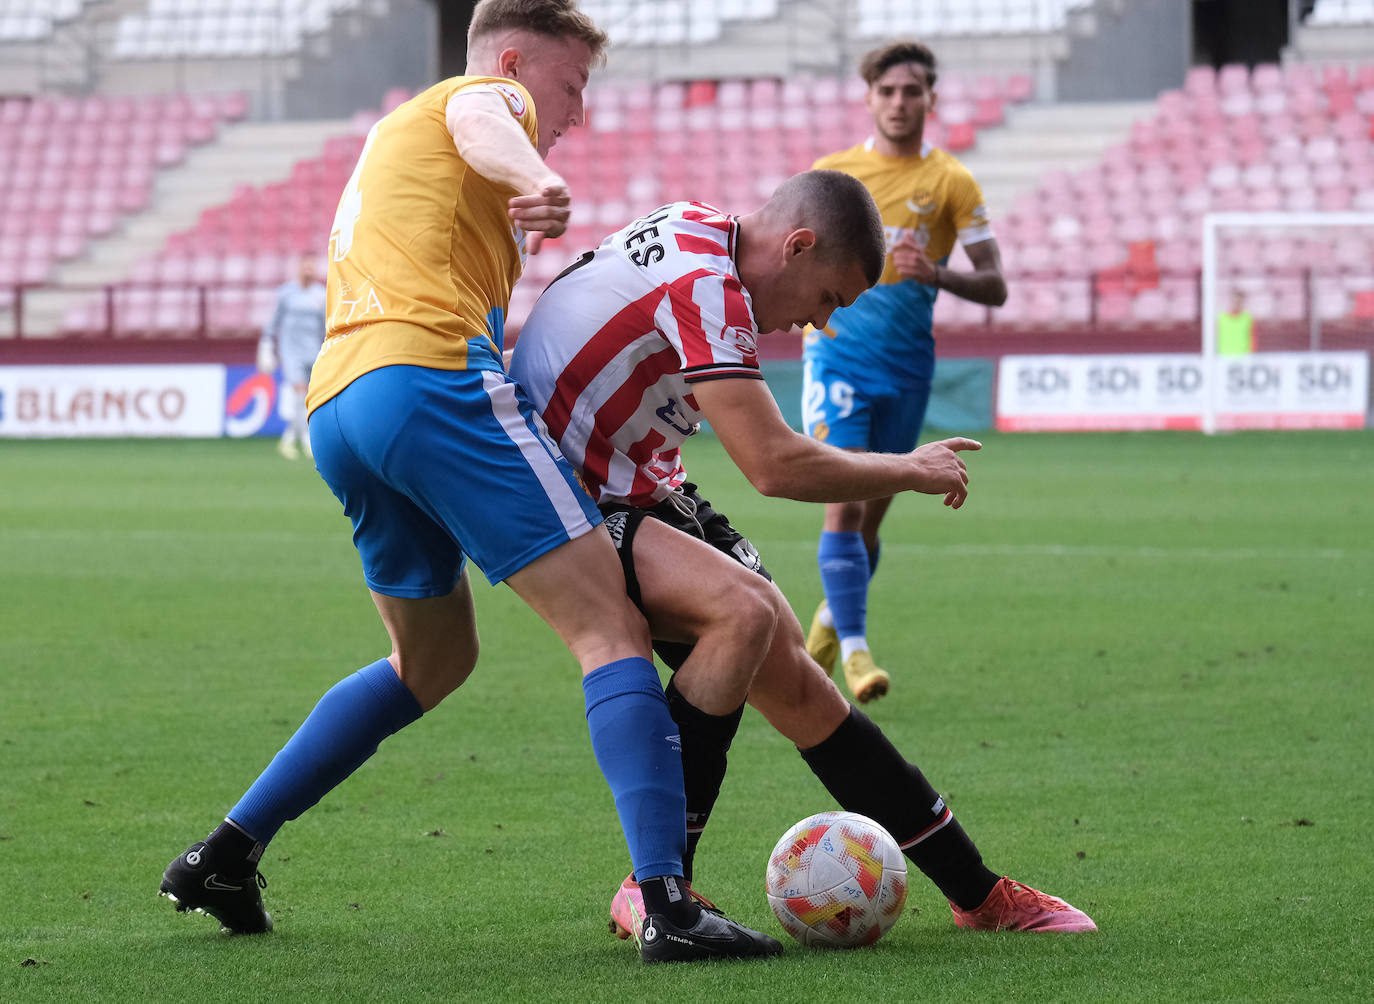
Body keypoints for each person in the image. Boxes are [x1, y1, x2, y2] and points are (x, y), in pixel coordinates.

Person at [159, 0, 779, 964]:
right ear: (521, 60)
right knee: (606, 626)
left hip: (341, 405)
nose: (573, 114)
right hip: (430, 378)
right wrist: (537, 174)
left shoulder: (400, 140)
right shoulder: (485, 99)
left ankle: (224, 854)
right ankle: (666, 900)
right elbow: (489, 120)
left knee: (431, 664)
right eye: (571, 89)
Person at [509, 170, 1096, 940]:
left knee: (794, 674)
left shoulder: (703, 238)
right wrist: (908, 468)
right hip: (557, 488)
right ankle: (657, 889)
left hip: (635, 478)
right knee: (741, 614)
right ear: (797, 245)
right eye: (828, 299)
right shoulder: (709, 285)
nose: (820, 324)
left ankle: (979, 895)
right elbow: (773, 465)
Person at [801, 41, 1008, 704]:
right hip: (836, 355)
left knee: (870, 524)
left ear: (930, 100)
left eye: (910, 92)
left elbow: (996, 285)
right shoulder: (834, 175)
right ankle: (858, 654)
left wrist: (936, 272)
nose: (898, 103)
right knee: (846, 502)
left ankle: (829, 628)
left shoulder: (951, 182)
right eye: (886, 92)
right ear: (869, 98)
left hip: (908, 365)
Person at [257, 252, 326, 459]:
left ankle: (287, 440)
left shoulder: (321, 295)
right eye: (306, 266)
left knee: (308, 398)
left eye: (312, 267)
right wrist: (266, 345)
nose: (309, 271)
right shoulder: (286, 294)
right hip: (291, 351)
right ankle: (307, 442)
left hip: (313, 351)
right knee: (299, 392)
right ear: (299, 269)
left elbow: (325, 326)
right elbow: (272, 322)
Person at [1217, 288, 1254, 355]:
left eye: (1239, 302)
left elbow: (1252, 339)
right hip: (1223, 356)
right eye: (1234, 301)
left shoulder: (1247, 318)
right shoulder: (1221, 318)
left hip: (1243, 357)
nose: (1236, 304)